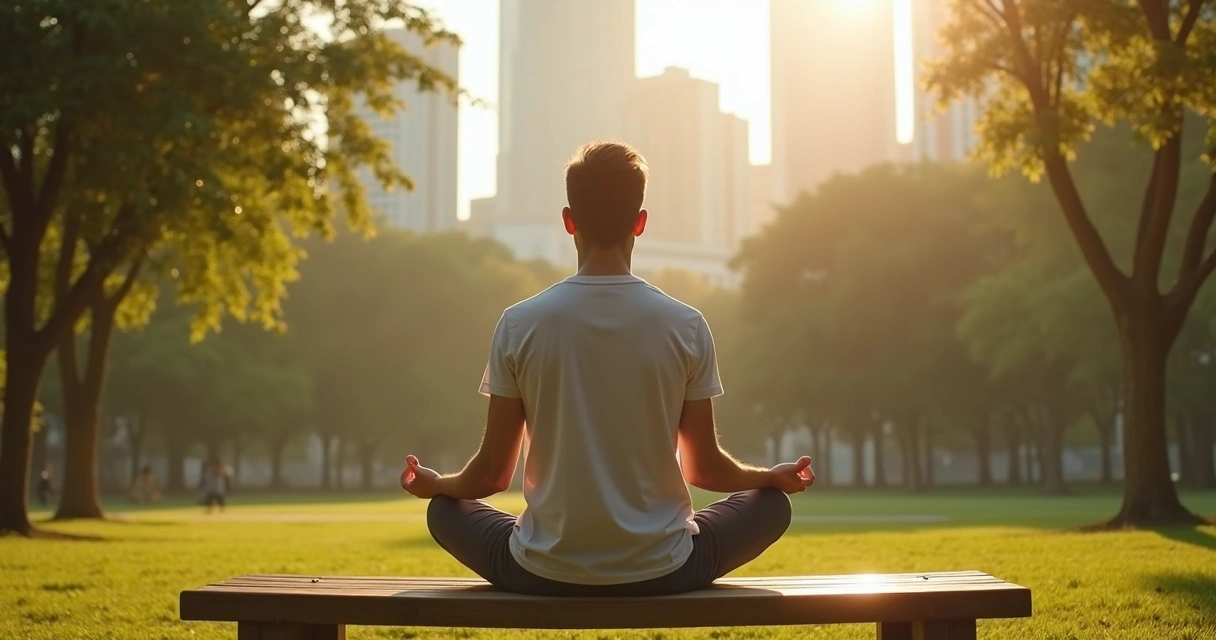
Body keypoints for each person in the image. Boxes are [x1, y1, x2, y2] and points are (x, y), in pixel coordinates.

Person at [401, 141, 815, 597]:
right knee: (771, 506)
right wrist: (769, 479)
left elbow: (491, 477)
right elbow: (706, 471)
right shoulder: (686, 325)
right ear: (640, 223)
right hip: (666, 569)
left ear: (568, 221)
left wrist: (439, 484)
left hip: (541, 570)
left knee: (443, 510)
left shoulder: (520, 322)